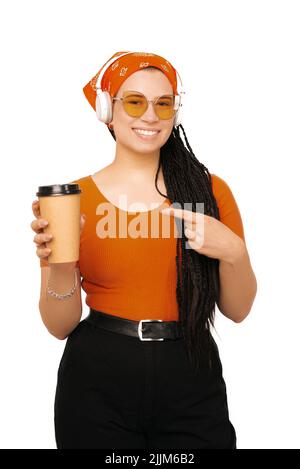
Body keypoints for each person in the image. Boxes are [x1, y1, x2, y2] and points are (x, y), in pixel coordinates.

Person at [30, 51, 257, 449]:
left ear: (175, 112)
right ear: (107, 110)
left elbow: (237, 311)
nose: (150, 115)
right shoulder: (72, 200)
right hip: (97, 379)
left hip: (191, 370)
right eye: (134, 102)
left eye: (163, 103)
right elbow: (59, 326)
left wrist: (233, 252)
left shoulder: (208, 192)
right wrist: (60, 265)